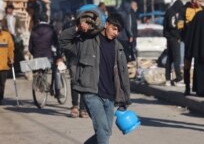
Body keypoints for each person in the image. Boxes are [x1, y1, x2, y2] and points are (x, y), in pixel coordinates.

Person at [59, 8, 131, 144]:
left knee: (105, 132)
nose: (116, 33)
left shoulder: (118, 47)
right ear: (106, 24)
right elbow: (63, 41)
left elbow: (123, 75)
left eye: (118, 31)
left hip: (110, 97)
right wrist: (78, 28)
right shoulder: (87, 40)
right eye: (114, 29)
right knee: (103, 131)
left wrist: (124, 100)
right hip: (92, 94)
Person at [28, 14, 62, 98]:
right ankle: (57, 92)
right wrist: (58, 55)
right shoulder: (51, 29)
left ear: (39, 20)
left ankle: (41, 83)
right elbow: (56, 44)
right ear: (47, 20)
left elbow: (30, 47)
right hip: (48, 56)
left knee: (40, 69)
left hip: (37, 56)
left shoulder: (34, 29)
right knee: (56, 70)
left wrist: (35, 54)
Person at [177, 0, 204, 95]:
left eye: (202, 1)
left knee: (198, 65)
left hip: (198, 43)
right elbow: (180, 24)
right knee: (187, 66)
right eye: (199, 1)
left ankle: (198, 88)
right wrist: (181, 36)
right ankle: (187, 87)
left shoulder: (203, 10)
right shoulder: (184, 9)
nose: (200, 3)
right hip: (188, 41)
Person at [62, 18, 88, 118]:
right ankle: (75, 106)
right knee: (74, 81)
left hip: (86, 58)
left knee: (84, 82)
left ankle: (82, 108)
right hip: (73, 58)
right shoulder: (70, 27)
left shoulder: (89, 30)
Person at [163, 0, 184, 86]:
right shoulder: (172, 13)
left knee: (170, 59)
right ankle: (178, 79)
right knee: (177, 58)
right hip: (174, 38)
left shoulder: (169, 11)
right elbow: (172, 26)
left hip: (169, 38)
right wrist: (178, 36)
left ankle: (168, 79)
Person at [0, 25, 14, 105]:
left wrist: (11, 58)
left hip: (4, 65)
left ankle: (1, 98)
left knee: (2, 84)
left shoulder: (7, 35)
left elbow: (10, 48)